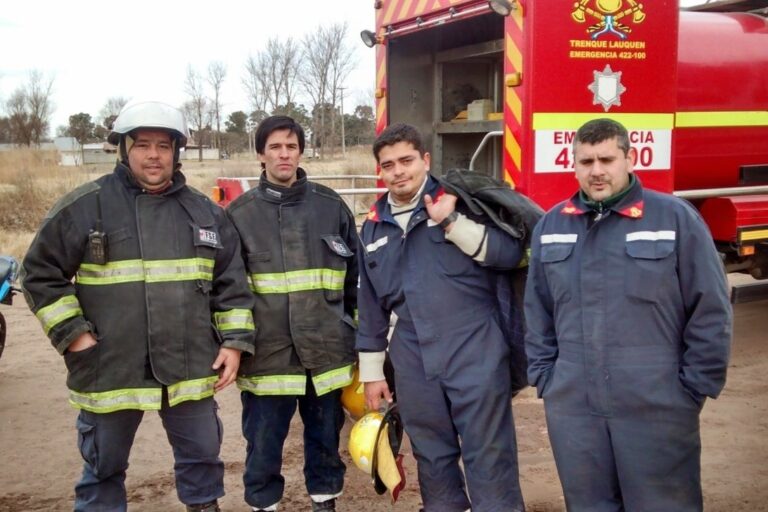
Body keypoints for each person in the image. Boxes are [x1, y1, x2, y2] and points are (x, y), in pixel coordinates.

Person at [20, 100, 255, 512]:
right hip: (110, 367)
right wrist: (75, 337)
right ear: (124, 149)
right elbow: (40, 274)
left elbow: (231, 283)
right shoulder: (84, 206)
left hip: (188, 368)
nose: (153, 155)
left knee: (202, 461)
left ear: (177, 152)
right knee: (103, 469)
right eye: (142, 144)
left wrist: (234, 342)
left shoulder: (205, 213)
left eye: (163, 146)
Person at [524, 118, 732, 511]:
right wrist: (547, 377)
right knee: (589, 504)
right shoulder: (552, 225)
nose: (596, 170)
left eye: (607, 158)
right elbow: (537, 310)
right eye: (586, 161)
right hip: (573, 404)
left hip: (657, 402)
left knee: (663, 504)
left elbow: (710, 309)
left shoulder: (674, 219)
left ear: (629, 158)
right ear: (574, 164)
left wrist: (693, 388)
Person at [356, 123, 526, 512]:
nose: (399, 171)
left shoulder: (461, 202)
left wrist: (451, 222)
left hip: (474, 345)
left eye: (407, 161)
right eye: (388, 165)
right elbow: (370, 303)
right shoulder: (374, 225)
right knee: (431, 452)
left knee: (489, 452)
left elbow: (507, 254)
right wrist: (372, 372)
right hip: (413, 354)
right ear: (379, 171)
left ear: (425, 160)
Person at [226, 115, 358, 512]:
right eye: (275, 147)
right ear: (260, 154)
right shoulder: (240, 215)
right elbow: (228, 289)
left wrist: (363, 341)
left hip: (326, 356)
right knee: (263, 444)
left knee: (325, 442)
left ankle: (324, 502)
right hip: (268, 359)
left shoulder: (331, 206)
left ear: (301, 151)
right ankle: (264, 504)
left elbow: (356, 282)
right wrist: (235, 344)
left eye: (291, 146)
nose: (284, 154)